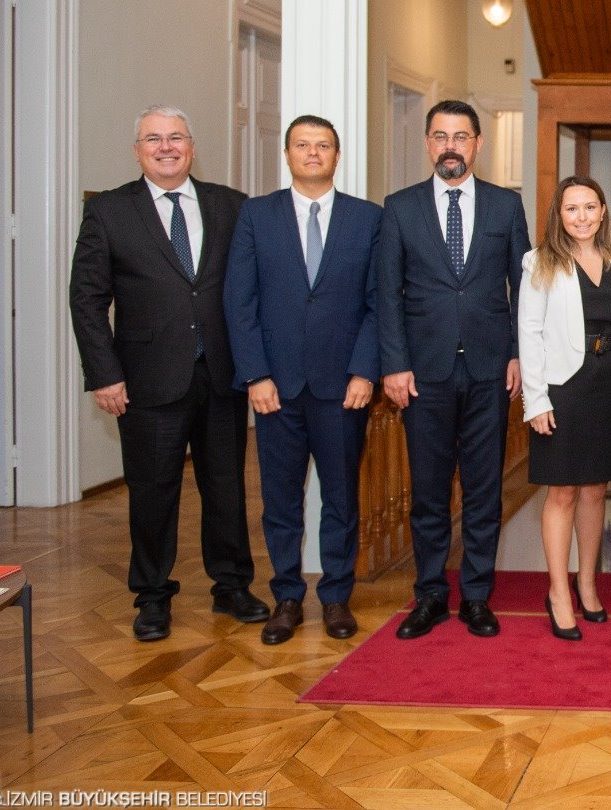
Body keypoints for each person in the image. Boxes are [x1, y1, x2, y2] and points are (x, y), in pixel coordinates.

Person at [69, 106, 266, 642]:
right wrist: (104, 374)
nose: (165, 147)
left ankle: (232, 585)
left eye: (175, 137)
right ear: (137, 150)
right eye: (153, 139)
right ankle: (152, 596)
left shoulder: (231, 206)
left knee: (226, 486)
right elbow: (87, 299)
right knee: (153, 491)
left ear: (192, 146)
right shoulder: (109, 211)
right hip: (146, 379)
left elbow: (250, 290)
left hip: (221, 374)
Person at [223, 115, 381, 645]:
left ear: (337, 156)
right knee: (281, 501)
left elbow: (379, 303)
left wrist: (365, 370)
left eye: (323, 145)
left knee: (341, 498)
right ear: (287, 153)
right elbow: (239, 302)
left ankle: (336, 596)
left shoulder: (367, 218)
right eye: (302, 144)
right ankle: (287, 596)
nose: (313, 153)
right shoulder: (256, 215)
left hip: (344, 388)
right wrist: (255, 374)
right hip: (276, 388)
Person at [377, 99, 531, 640]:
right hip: (424, 374)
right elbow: (386, 293)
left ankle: (477, 597)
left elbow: (524, 287)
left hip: (491, 370)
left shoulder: (505, 206)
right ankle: (430, 596)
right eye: (441, 136)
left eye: (461, 137)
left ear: (477, 144)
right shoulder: (399, 208)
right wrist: (394, 364)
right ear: (428, 143)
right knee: (429, 491)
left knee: (485, 490)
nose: (451, 146)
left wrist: (519, 352)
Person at [519, 176, 611, 641]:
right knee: (562, 491)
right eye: (572, 208)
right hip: (562, 386)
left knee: (596, 489)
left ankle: (587, 583)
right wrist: (535, 399)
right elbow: (529, 332)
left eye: (590, 207)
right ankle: (558, 591)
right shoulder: (540, 261)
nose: (582, 216)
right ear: (558, 215)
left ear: (603, 212)